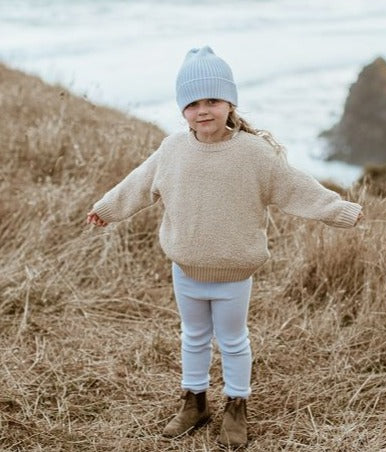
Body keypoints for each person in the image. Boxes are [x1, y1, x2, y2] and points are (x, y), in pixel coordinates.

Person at [87, 46, 363, 447]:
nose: (203, 111)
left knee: (233, 341)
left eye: (212, 101)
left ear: (229, 103)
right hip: (186, 268)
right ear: (183, 110)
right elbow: (139, 183)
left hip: (235, 272)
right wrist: (107, 209)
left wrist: (339, 210)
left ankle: (236, 406)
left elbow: (296, 186)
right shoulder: (172, 149)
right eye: (193, 104)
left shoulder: (254, 153)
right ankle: (194, 402)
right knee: (193, 336)